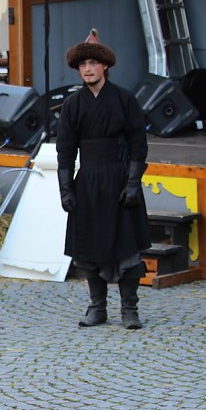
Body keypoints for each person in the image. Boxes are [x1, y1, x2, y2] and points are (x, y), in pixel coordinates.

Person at [57, 31, 150, 330]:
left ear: (105, 66)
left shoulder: (124, 99)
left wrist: (133, 183)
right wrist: (66, 188)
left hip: (120, 177)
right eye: (83, 64)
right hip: (88, 181)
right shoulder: (73, 105)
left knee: (127, 247)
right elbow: (66, 150)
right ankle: (97, 307)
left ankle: (129, 310)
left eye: (94, 63)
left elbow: (139, 143)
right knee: (87, 247)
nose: (88, 69)